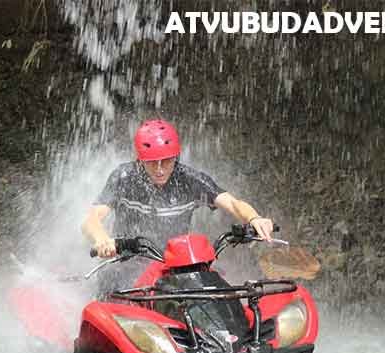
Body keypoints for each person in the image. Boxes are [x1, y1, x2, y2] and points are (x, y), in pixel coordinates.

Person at [82, 119, 274, 293]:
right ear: (140, 160)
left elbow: (233, 203)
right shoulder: (124, 177)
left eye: (166, 161)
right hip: (127, 260)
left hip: (175, 265)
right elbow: (91, 219)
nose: (159, 170)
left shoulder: (190, 180)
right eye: (151, 163)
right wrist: (101, 239)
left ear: (176, 157)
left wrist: (254, 218)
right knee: (111, 284)